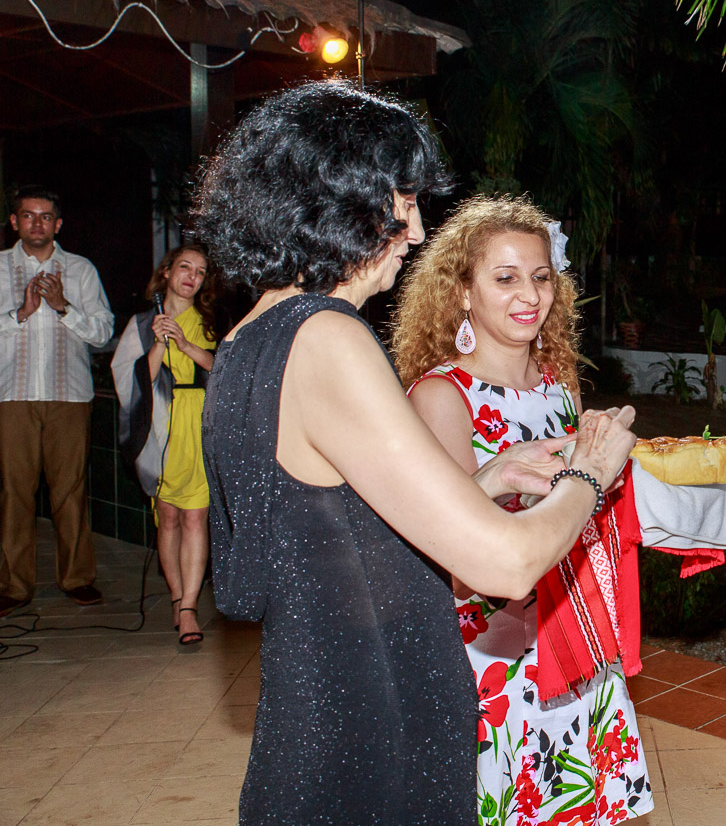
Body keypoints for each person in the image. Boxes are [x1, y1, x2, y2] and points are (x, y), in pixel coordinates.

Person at [194, 80, 638, 826]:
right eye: (402, 198)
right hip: (374, 735)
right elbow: (503, 563)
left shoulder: (246, 340)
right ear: (344, 198)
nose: (416, 225)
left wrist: (488, 474)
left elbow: (320, 527)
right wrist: (589, 471)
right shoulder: (327, 337)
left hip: (317, 720)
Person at [393, 195, 652, 826]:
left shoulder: (557, 384)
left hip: (575, 625)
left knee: (581, 804)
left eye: (540, 277)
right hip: (497, 649)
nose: (528, 295)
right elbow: (445, 544)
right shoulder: (440, 396)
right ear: (461, 292)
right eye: (504, 278)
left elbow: (580, 501)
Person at [0, 185, 114, 618]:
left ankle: (77, 578)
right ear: (14, 221)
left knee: (70, 491)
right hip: (13, 395)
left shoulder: (81, 270)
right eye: (28, 216)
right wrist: (22, 313)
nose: (36, 223)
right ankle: (13, 585)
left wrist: (64, 307)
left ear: (58, 224)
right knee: (15, 492)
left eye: (45, 216)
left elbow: (103, 332)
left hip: (70, 396)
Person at [111, 244, 218, 645]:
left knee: (195, 517)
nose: (192, 276)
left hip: (198, 425)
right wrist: (157, 342)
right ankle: (177, 597)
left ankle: (189, 608)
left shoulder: (207, 322)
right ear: (167, 272)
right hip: (159, 427)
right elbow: (128, 382)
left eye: (201, 271)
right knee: (169, 517)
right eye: (185, 267)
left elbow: (221, 365)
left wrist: (186, 344)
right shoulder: (141, 324)